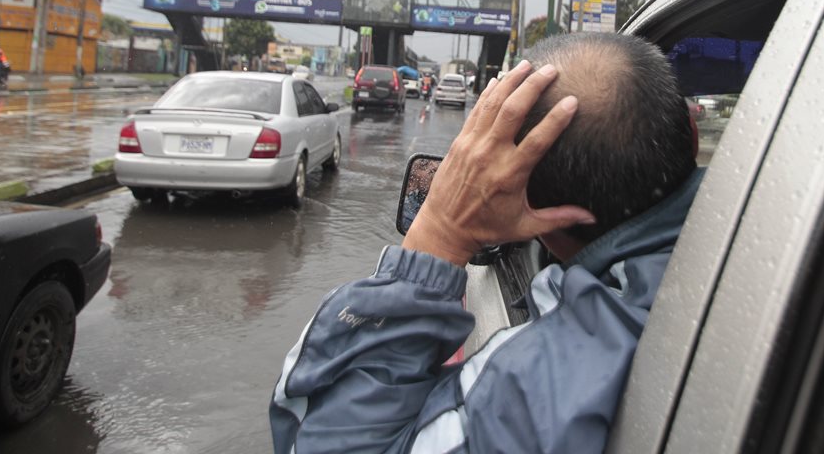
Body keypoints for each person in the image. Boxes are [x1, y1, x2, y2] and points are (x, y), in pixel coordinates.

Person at [270, 32, 702, 453]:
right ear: (692, 134)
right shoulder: (717, 257)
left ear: (530, 212)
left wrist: (440, 230)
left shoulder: (543, 384)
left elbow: (313, 439)